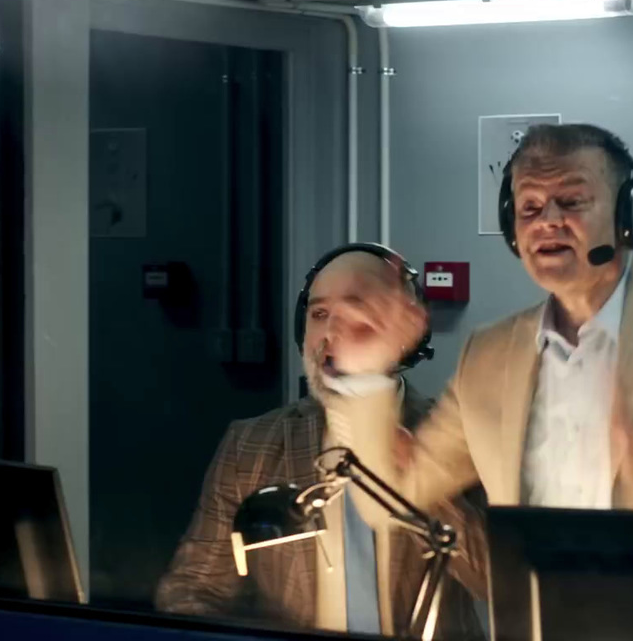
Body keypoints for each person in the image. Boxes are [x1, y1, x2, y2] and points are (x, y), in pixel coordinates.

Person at [333, 123, 633, 520]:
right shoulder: (486, 357)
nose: (547, 221)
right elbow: (389, 503)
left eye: (571, 201)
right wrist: (365, 371)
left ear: (629, 216)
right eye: (530, 208)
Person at [154, 244, 487, 639]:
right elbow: (192, 590)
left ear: (405, 333)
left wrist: (421, 477)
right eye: (319, 314)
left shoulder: (455, 431)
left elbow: (492, 579)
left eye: (357, 311)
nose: (332, 333)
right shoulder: (251, 447)